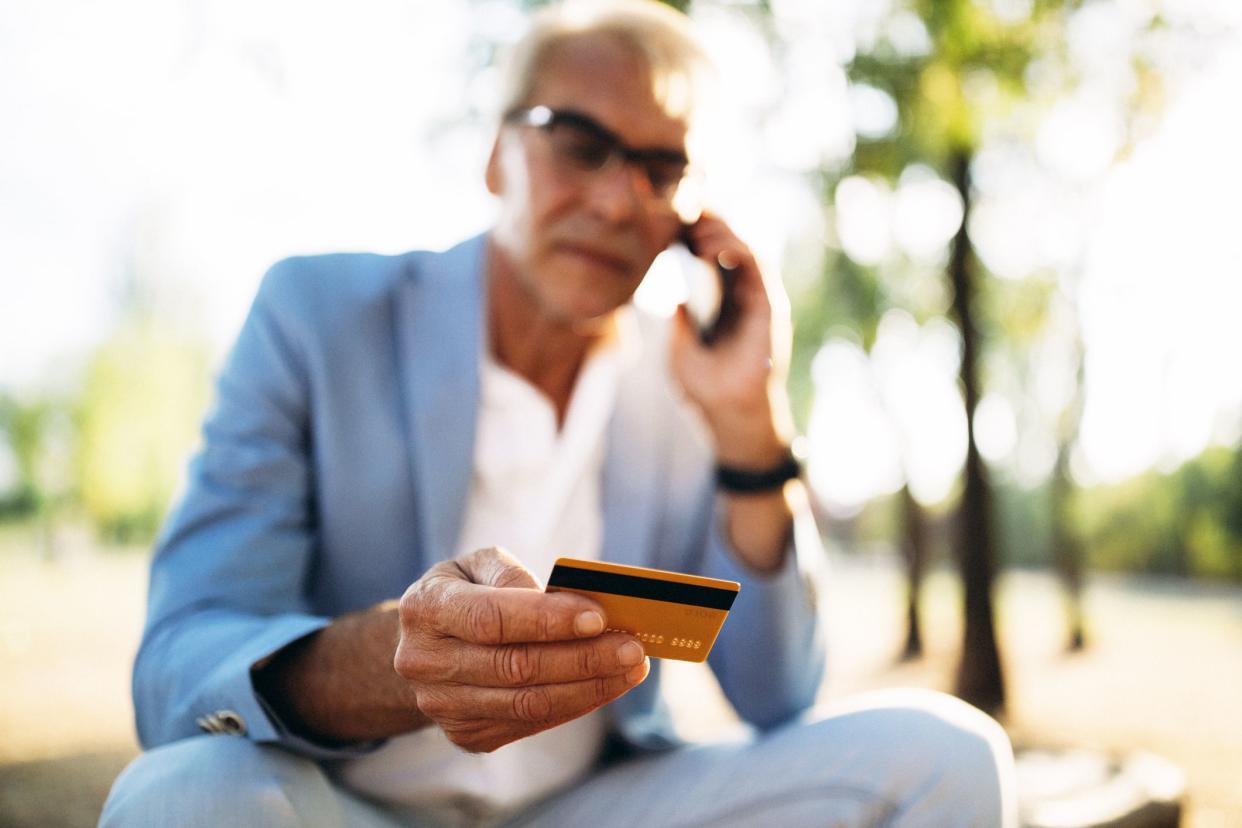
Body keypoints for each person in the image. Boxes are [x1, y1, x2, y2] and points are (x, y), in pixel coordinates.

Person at [100, 2, 1016, 825]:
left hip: (592, 807)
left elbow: (782, 695)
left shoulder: (687, 377)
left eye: (661, 169)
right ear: (497, 154)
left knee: (949, 758)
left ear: (688, 214)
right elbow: (181, 660)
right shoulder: (317, 316)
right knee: (182, 795)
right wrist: (396, 663)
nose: (620, 199)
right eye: (578, 142)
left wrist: (751, 430)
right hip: (337, 806)